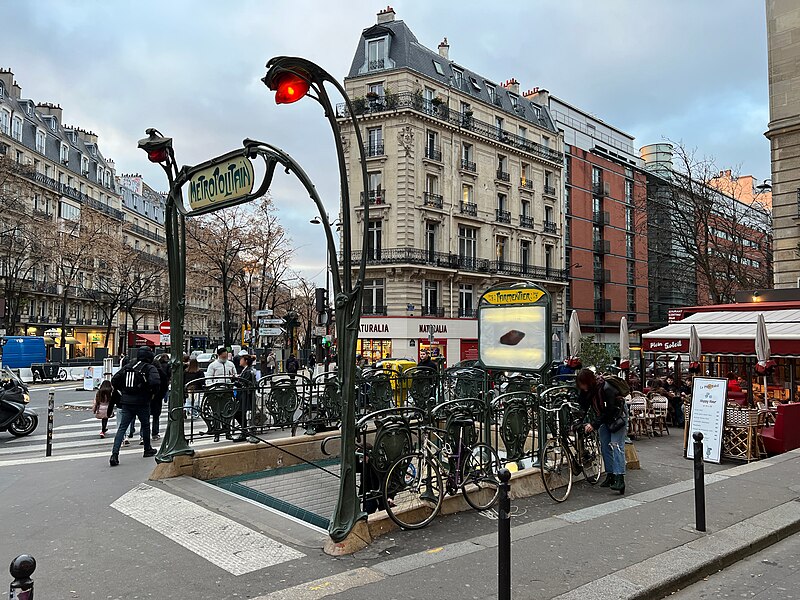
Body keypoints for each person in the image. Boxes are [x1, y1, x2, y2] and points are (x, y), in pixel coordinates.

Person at [577, 368, 627, 494]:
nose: (582, 387)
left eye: (584, 384)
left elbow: (610, 409)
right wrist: (579, 420)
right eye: (580, 385)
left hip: (617, 416)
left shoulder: (606, 388)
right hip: (604, 417)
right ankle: (610, 475)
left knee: (616, 445)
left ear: (589, 381)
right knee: (605, 446)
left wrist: (594, 424)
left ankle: (619, 478)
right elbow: (584, 406)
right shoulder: (588, 391)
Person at [109, 347, 161, 466]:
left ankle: (114, 454)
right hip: (142, 401)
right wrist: (151, 393)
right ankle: (147, 449)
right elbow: (155, 383)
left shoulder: (129, 366)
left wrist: (124, 391)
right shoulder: (149, 368)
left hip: (127, 401)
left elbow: (114, 380)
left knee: (122, 428)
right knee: (145, 425)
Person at [233, 354, 257, 442]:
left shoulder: (248, 371)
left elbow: (243, 383)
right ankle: (244, 430)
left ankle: (245, 430)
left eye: (241, 359)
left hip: (245, 395)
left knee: (238, 412)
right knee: (240, 413)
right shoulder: (247, 370)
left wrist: (234, 381)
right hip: (244, 395)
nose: (240, 361)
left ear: (245, 361)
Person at [151, 353, 171, 442]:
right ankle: (155, 433)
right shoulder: (162, 373)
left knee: (145, 417)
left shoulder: (148, 370)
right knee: (156, 416)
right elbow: (165, 386)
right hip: (158, 396)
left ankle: (142, 435)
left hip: (148, 397)